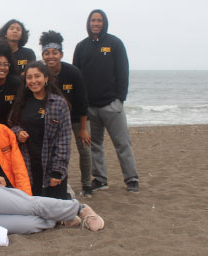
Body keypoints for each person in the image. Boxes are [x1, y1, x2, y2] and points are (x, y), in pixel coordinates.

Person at [73, 9, 139, 192]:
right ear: (88, 23)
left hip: (112, 105)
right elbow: (76, 76)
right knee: (94, 145)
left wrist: (120, 99)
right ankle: (100, 179)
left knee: (122, 143)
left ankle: (132, 179)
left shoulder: (115, 43)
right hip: (90, 107)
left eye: (99, 20)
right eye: (93, 20)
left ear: (104, 23)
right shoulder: (81, 47)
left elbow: (123, 72)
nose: (96, 23)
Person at [40, 30, 92, 198]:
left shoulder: (73, 72)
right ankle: (58, 180)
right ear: (43, 56)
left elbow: (83, 102)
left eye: (55, 52)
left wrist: (83, 129)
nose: (51, 57)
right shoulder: (42, 74)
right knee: (55, 152)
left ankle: (87, 185)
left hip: (76, 118)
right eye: (47, 53)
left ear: (61, 54)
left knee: (84, 150)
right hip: (54, 119)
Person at [9, 61, 72, 199]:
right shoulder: (22, 101)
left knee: (56, 212)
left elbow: (64, 140)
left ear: (46, 78)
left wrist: (57, 171)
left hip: (50, 166)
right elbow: (12, 123)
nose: (33, 81)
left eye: (37, 76)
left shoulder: (58, 104)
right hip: (28, 164)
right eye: (29, 77)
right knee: (34, 207)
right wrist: (18, 132)